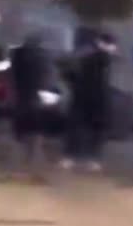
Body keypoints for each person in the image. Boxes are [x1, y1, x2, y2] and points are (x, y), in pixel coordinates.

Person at [60, 31, 115, 172]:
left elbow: (66, 71)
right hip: (95, 97)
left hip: (81, 95)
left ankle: (71, 158)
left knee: (77, 127)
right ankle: (91, 159)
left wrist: (73, 85)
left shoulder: (82, 55)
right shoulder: (100, 56)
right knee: (95, 129)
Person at [8, 32, 51, 173]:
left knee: (19, 136)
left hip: (20, 99)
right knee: (36, 134)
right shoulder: (42, 56)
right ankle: (35, 165)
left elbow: (12, 77)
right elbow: (46, 78)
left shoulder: (16, 56)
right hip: (35, 100)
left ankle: (18, 166)